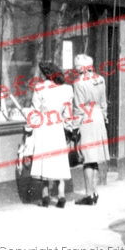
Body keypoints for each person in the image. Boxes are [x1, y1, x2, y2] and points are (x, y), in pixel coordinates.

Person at [30, 61, 75, 208]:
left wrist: (31, 127)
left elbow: (35, 110)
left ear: (45, 74)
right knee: (58, 160)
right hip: (57, 127)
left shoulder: (40, 88)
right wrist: (68, 128)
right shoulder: (67, 89)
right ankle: (61, 194)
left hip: (43, 126)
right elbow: (68, 113)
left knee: (44, 160)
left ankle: (45, 196)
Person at [72, 54, 110, 205]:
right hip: (98, 115)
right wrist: (104, 117)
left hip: (87, 117)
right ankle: (94, 192)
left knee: (87, 157)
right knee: (94, 157)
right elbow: (103, 102)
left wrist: (75, 127)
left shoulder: (79, 83)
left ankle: (88, 194)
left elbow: (79, 108)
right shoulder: (100, 79)